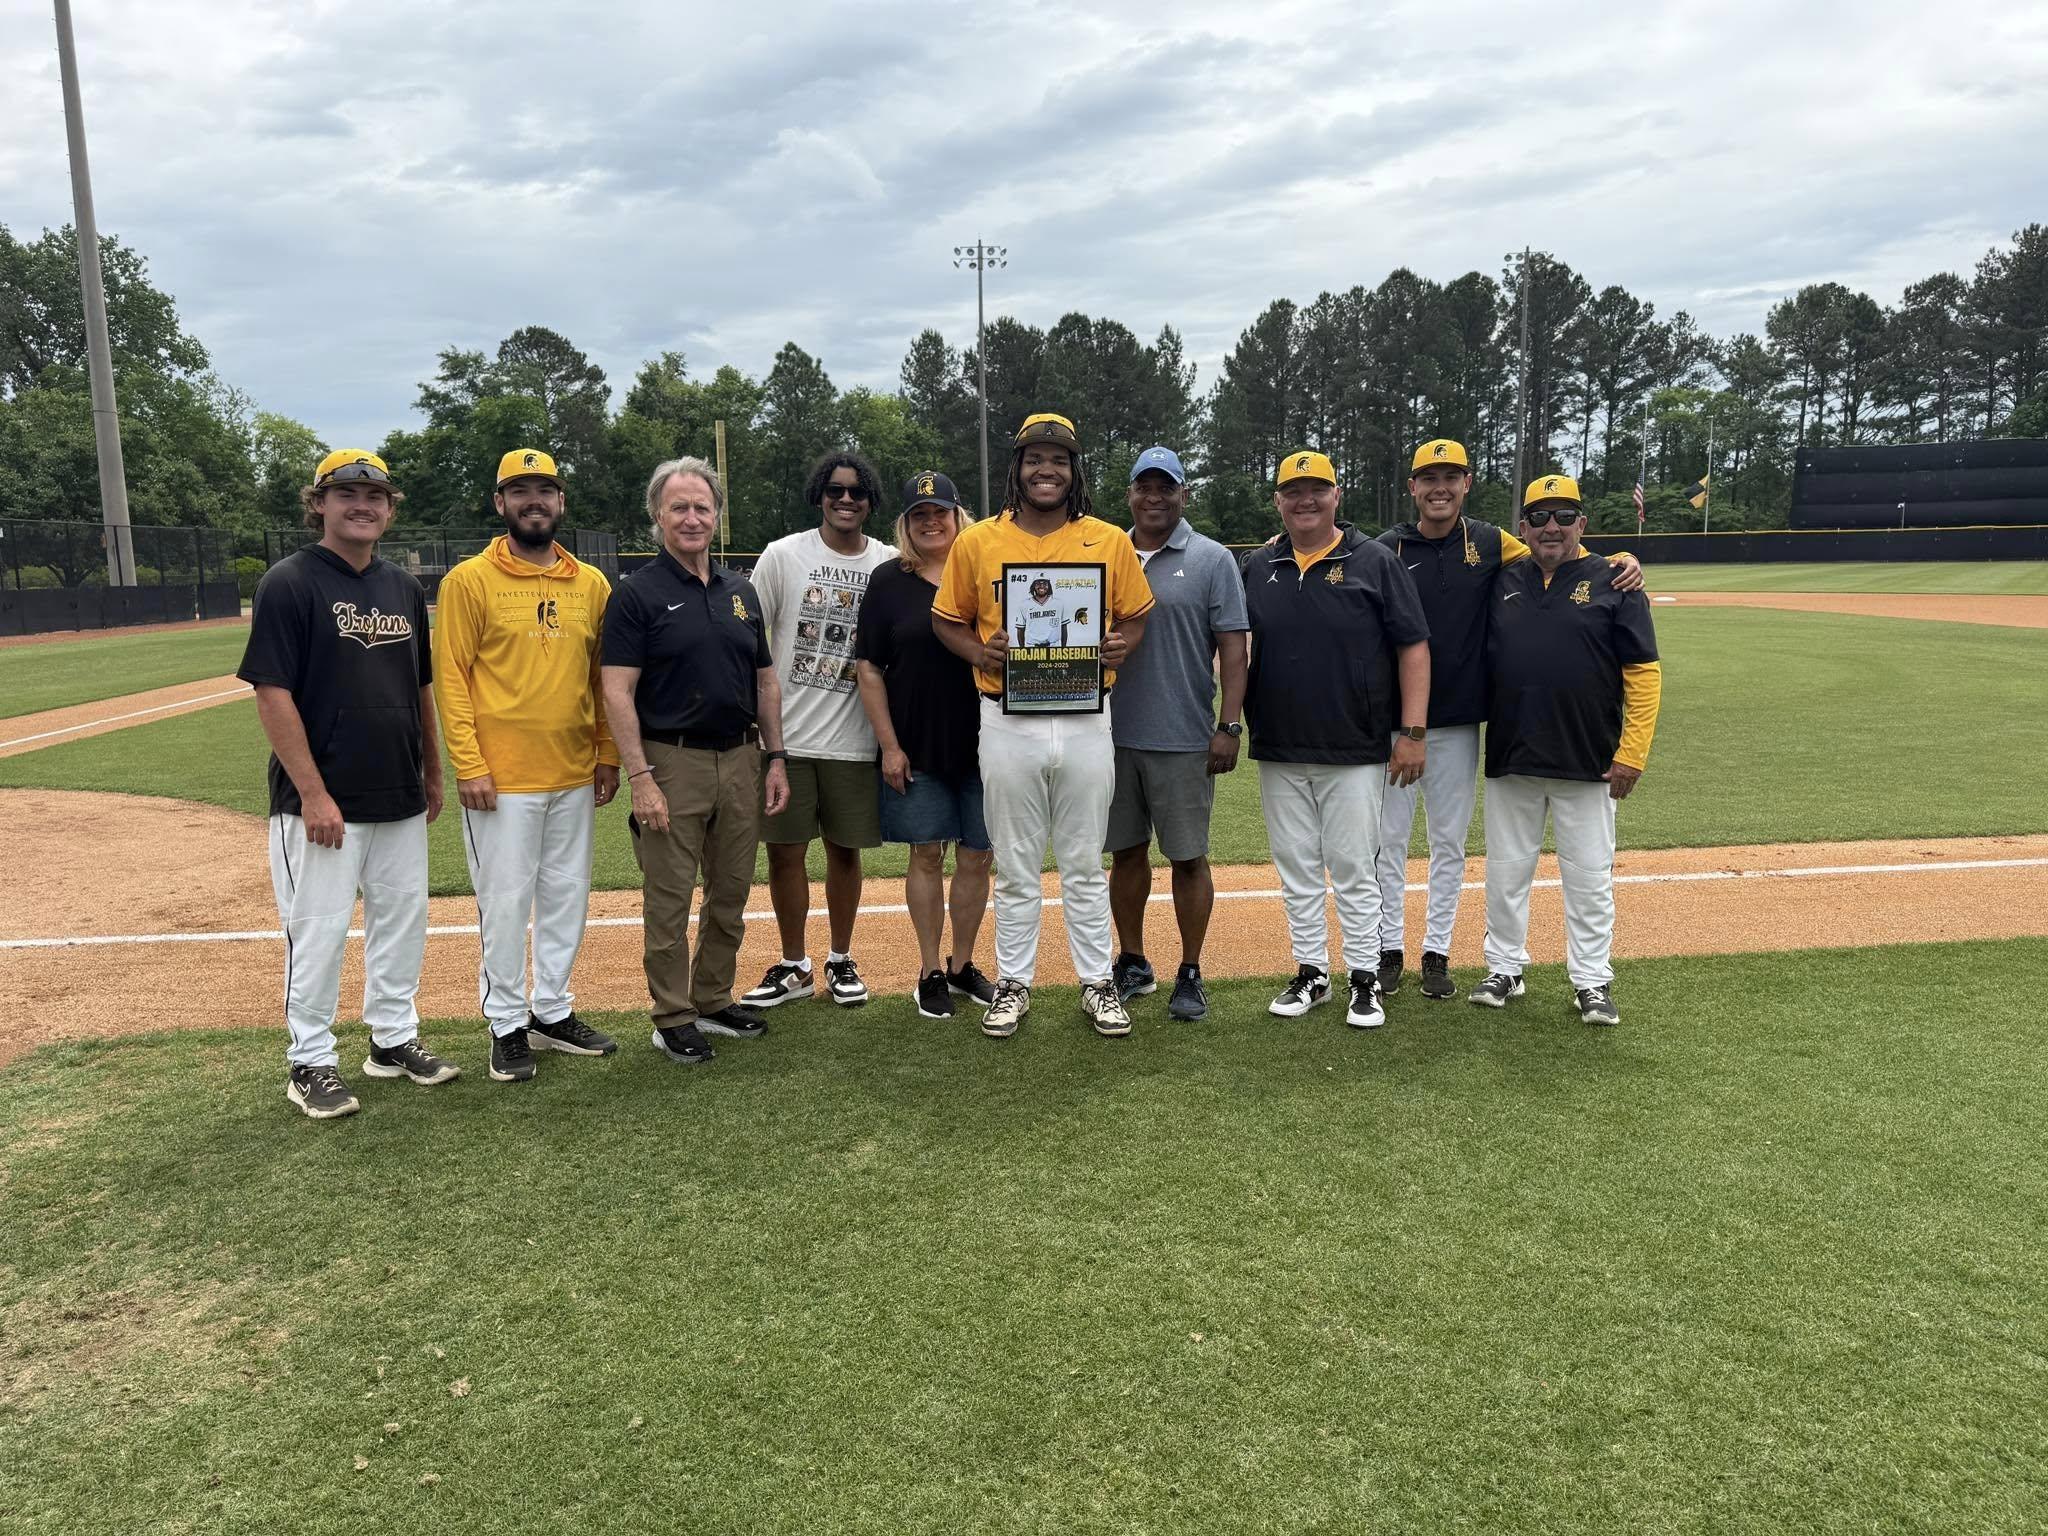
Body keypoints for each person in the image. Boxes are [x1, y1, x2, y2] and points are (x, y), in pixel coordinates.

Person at [1371, 440, 1643, 1001]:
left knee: (1449, 845)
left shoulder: (1494, 543)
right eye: (1428, 477)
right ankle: (1387, 947)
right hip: (1394, 721)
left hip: (1461, 723)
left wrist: (1616, 561)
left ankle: (1437, 952)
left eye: (1451, 476)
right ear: (1412, 487)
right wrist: (1279, 541)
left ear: (1467, 483)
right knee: (1388, 841)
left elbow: (1562, 553)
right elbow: (1336, 552)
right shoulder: (1387, 546)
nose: (1439, 487)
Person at [239, 448, 455, 1120]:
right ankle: (310, 1059)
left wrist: (433, 768)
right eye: (348, 494)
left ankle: (391, 1040)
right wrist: (312, 792)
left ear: (390, 510)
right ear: (320, 503)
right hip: (323, 801)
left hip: (395, 789)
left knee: (402, 921)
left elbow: (420, 683)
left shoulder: (402, 588)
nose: (363, 505)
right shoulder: (291, 582)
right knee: (320, 930)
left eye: (376, 496)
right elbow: (271, 692)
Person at [933, 413, 1154, 1040]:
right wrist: (980, 653)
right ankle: (1014, 982)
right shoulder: (977, 543)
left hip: (1087, 716)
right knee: (1017, 862)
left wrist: (1120, 646)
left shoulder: (1108, 540)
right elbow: (947, 620)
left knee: (1084, 860)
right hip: (1007, 719)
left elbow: (1136, 616)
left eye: (1058, 459)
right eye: (1035, 459)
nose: (1046, 470)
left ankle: (1096, 983)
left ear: (1073, 470)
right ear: (1017, 468)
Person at [433, 448, 622, 1085]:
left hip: (572, 770)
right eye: (520, 491)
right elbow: (451, 679)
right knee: (505, 902)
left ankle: (552, 1009)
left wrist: (606, 753)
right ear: (500, 503)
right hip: (501, 778)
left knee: (567, 897)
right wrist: (468, 763)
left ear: (561, 501)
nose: (533, 500)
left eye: (544, 489)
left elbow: (601, 679)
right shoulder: (468, 581)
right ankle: (506, 1023)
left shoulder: (590, 583)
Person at [601, 458, 792, 1065]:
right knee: (669, 897)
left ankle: (712, 997)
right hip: (671, 760)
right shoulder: (637, 594)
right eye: (679, 507)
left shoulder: (740, 591)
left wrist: (777, 757)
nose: (692, 518)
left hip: (741, 756)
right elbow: (616, 691)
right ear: (659, 517)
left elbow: (765, 682)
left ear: (716, 516)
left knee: (731, 890)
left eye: (702, 507)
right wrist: (641, 777)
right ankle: (672, 1015)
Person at [1241, 450, 1429, 1030]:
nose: (1306, 500)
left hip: (1353, 743)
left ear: (1336, 495)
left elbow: (1413, 647)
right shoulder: (1257, 565)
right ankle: (1311, 972)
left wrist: (1413, 732)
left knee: (1352, 864)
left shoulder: (1374, 561)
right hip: (1278, 742)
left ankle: (1365, 977)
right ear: (1277, 500)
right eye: (1293, 491)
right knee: (1296, 865)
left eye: (1317, 489)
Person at [1469, 474, 1662, 1025]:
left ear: (1582, 522)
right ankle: (1505, 967)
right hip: (1514, 754)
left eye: (1563, 515)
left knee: (1589, 875)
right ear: (1523, 526)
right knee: (1507, 872)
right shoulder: (1502, 579)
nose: (1550, 526)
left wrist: (1633, 752)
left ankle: (1592, 980)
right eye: (1538, 516)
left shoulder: (1614, 581)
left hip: (1591, 759)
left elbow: (1643, 674)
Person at [740, 451, 897, 1011]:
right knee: (784, 853)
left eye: (857, 492)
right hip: (787, 740)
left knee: (844, 853)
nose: (846, 500)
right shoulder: (784, 556)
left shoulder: (889, 562)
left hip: (855, 739)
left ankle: (840, 957)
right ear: (819, 496)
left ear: (871, 501)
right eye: (835, 491)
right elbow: (753, 645)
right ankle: (793, 963)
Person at [1104, 445, 1249, 1021]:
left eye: (1167, 487)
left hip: (1185, 736)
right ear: (1131, 494)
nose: (1155, 497)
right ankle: (1133, 961)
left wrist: (1229, 725)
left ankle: (1190, 970)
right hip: (1109, 735)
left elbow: (1234, 651)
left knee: (1188, 858)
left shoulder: (1212, 559)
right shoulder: (1107, 553)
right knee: (1125, 854)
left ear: (1184, 494)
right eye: (1145, 486)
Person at [854, 470, 997, 1018]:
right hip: (916, 740)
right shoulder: (890, 580)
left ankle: (962, 965)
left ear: (959, 516)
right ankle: (929, 969)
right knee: (926, 853)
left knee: (979, 855)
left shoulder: (987, 573)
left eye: (940, 511)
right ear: (906, 525)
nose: (931, 521)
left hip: (987, 741)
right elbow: (868, 668)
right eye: (920, 514)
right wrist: (889, 746)